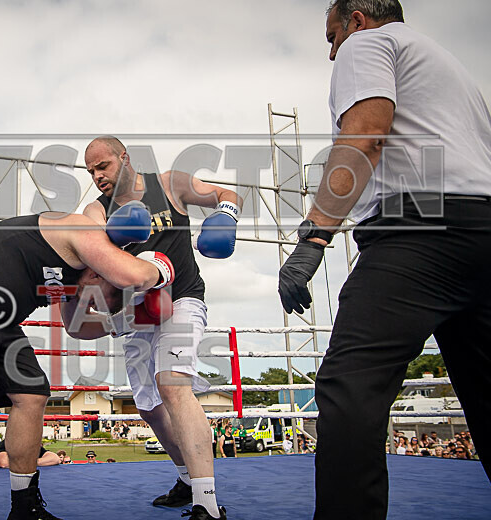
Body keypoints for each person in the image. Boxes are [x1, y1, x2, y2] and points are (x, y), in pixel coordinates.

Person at [277, 1, 491, 517]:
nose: (333, 53)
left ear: (356, 19)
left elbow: (365, 136)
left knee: (349, 386)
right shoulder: (452, 71)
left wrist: (314, 238)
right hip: (482, 231)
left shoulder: (370, 43)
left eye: (333, 37)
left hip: (418, 235)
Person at [0, 211, 170, 520]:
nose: (88, 303)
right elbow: (134, 276)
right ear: (100, 272)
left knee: (31, 393)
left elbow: (76, 327)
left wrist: (126, 321)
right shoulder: (83, 233)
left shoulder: (76, 282)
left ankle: (25, 507)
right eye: (95, 297)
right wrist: (162, 270)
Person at [81, 136, 239, 519]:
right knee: (149, 406)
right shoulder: (95, 211)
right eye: (91, 172)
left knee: (173, 384)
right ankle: (187, 478)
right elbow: (90, 259)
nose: (98, 177)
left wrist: (226, 218)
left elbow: (226, 193)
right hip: (136, 309)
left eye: (103, 166)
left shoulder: (169, 184)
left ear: (124, 157)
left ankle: (207, 503)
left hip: (182, 296)